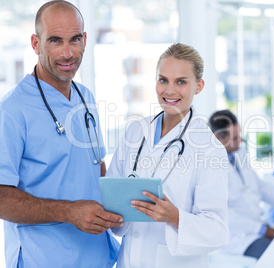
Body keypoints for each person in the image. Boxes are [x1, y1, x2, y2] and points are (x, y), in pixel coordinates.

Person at [0, 1, 122, 267]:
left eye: (75, 39)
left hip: (96, 255)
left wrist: (125, 202)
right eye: (55, 41)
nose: (68, 53)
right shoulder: (12, 110)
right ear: (35, 43)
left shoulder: (85, 96)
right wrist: (68, 212)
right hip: (43, 258)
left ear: (85, 39)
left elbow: (96, 168)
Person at [106, 43, 229, 268]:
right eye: (163, 80)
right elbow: (112, 197)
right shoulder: (135, 131)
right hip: (128, 260)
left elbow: (218, 231)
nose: (169, 91)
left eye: (181, 82)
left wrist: (174, 217)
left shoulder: (209, 148)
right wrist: (111, 214)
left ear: (199, 86)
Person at [208, 110, 274, 259]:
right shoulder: (208, 168)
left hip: (256, 227)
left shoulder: (238, 154)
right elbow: (222, 215)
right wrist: (263, 230)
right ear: (218, 139)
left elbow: (259, 187)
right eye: (235, 138)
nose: (241, 140)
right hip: (237, 239)